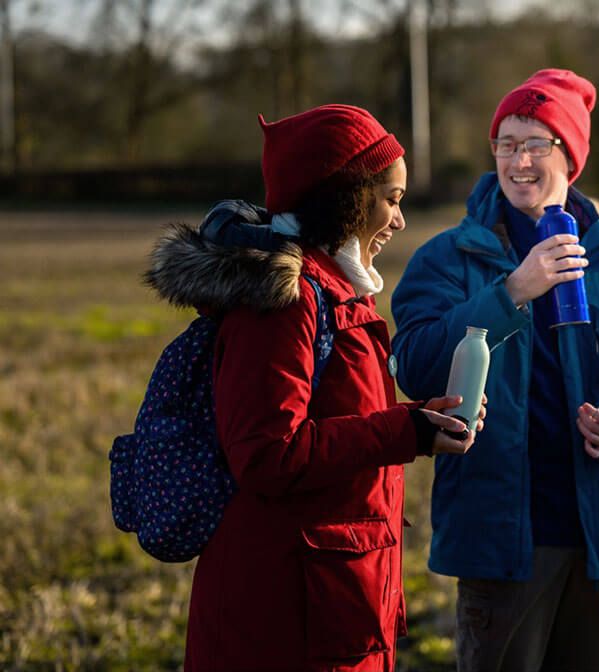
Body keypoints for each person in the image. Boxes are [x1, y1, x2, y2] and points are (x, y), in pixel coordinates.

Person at [144, 104, 484, 672]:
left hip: (335, 601)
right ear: (347, 198)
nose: (399, 220)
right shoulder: (286, 302)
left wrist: (421, 419)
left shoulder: (336, 290)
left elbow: (339, 420)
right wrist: (406, 430)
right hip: (283, 616)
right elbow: (268, 452)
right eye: (392, 199)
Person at [390, 69, 599, 672]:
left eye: (537, 143)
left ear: (570, 157)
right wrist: (512, 291)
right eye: (505, 143)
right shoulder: (448, 257)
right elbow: (416, 367)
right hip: (499, 541)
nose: (518, 160)